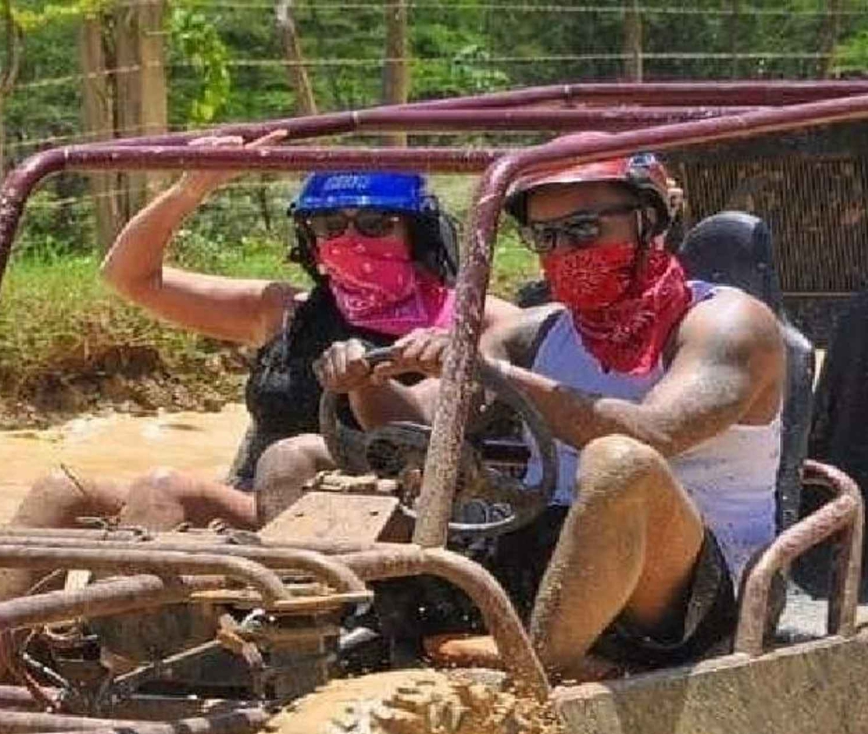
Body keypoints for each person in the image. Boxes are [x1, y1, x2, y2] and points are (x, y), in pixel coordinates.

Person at [0, 141, 473, 681]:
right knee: (62, 492)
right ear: (310, 238)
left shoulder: (466, 320)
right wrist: (190, 189)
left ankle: (119, 684)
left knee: (167, 489)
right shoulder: (285, 312)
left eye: (374, 223)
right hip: (258, 503)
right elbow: (131, 277)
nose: (351, 240)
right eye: (330, 226)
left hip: (379, 516)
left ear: (417, 232)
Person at [310, 142, 785, 684]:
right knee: (297, 458)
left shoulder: (727, 323)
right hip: (542, 549)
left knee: (620, 463)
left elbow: (657, 433)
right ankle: (307, 654)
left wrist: (498, 374)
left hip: (690, 589)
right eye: (547, 237)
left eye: (584, 230)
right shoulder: (533, 333)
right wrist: (364, 384)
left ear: (649, 220)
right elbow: (420, 429)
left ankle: (537, 673)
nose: (565, 252)